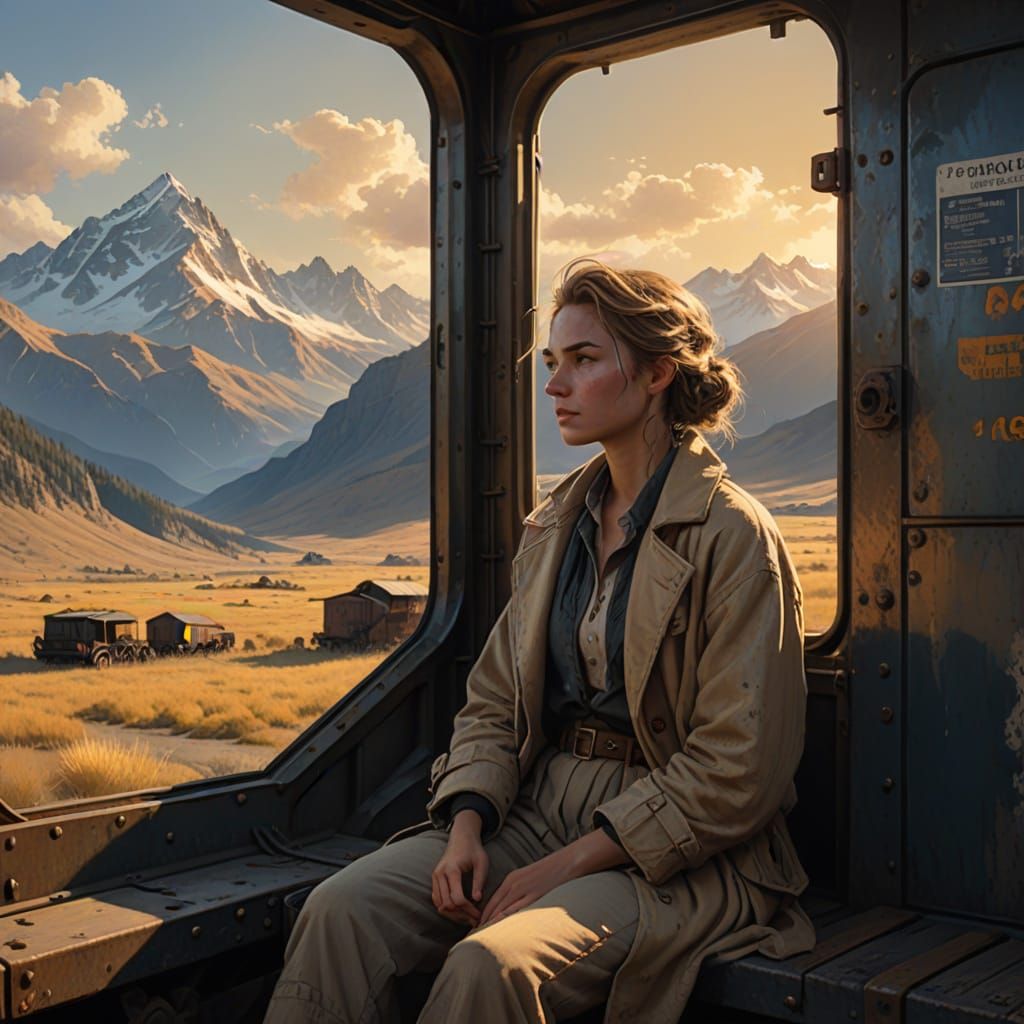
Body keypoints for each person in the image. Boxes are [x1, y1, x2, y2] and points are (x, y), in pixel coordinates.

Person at [264, 258, 816, 1024]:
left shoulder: (734, 536)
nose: (554, 386)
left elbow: (739, 769)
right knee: (338, 911)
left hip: (680, 851)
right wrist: (464, 826)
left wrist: (567, 864)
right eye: (553, 362)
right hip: (533, 807)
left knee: (492, 965)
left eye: (584, 361)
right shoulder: (554, 526)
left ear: (657, 374)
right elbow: (493, 703)